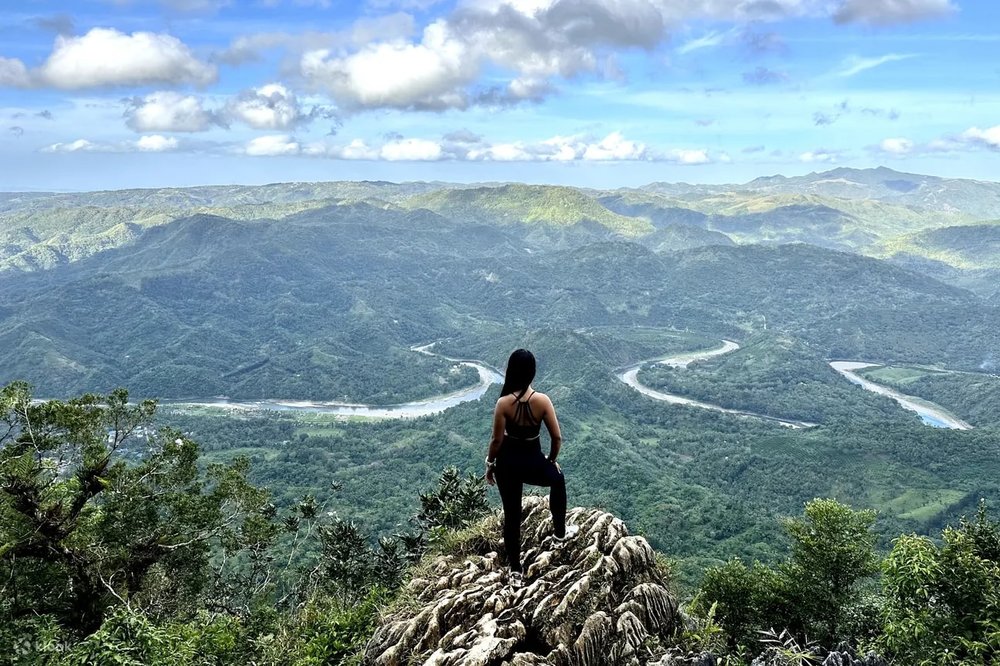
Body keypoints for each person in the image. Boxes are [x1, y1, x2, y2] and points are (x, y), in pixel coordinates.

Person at [485, 349, 578, 582]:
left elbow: (496, 441)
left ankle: (515, 569)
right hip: (533, 460)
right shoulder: (542, 400)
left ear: (510, 372)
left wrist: (489, 464)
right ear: (532, 373)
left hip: (507, 465)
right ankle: (559, 534)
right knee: (558, 479)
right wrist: (551, 461)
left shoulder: (503, 403)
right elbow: (556, 438)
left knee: (512, 515)